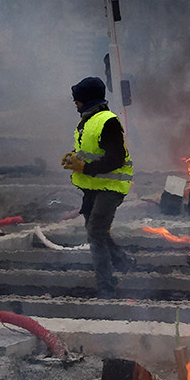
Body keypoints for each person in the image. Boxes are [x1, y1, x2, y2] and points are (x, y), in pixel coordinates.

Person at [61, 75, 134, 297]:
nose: (75, 103)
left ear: (87, 99)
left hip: (111, 187)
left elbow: (116, 159)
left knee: (95, 232)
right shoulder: (86, 121)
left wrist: (85, 167)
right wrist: (73, 158)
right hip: (93, 187)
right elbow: (91, 152)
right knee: (95, 230)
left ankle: (106, 286)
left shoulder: (108, 122)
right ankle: (123, 262)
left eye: (77, 99)